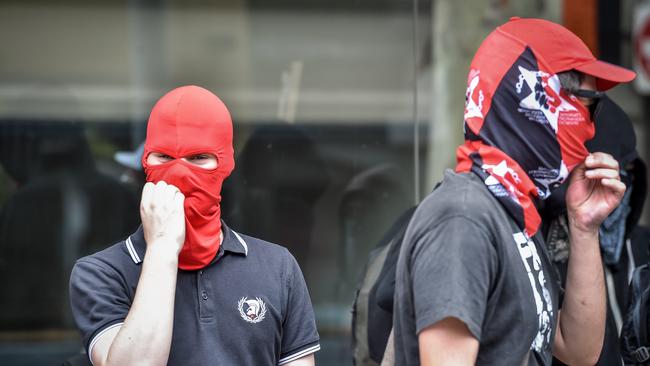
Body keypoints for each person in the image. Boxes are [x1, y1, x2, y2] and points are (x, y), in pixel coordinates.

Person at [393, 17, 636, 365]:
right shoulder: (463, 219)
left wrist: (584, 226)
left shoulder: (513, 213)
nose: (592, 125)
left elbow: (578, 350)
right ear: (538, 99)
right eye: (589, 103)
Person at [69, 86, 320, 365]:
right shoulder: (102, 273)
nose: (179, 172)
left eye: (199, 158)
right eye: (164, 157)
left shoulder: (277, 267)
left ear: (225, 163)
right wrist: (162, 246)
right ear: (145, 161)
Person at [540, 95, 649, 365]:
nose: (601, 193)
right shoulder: (539, 251)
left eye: (615, 174)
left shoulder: (642, 248)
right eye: (586, 177)